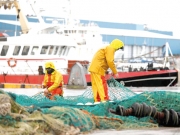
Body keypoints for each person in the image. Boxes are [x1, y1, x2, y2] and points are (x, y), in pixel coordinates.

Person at [88, 39, 124, 103]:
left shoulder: (106, 48)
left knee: (96, 85)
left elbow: (106, 61)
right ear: (117, 46)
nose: (117, 50)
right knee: (102, 84)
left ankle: (97, 100)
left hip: (94, 68)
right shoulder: (110, 49)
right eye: (118, 48)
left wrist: (112, 70)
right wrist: (115, 72)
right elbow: (110, 61)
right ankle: (104, 100)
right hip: (98, 69)